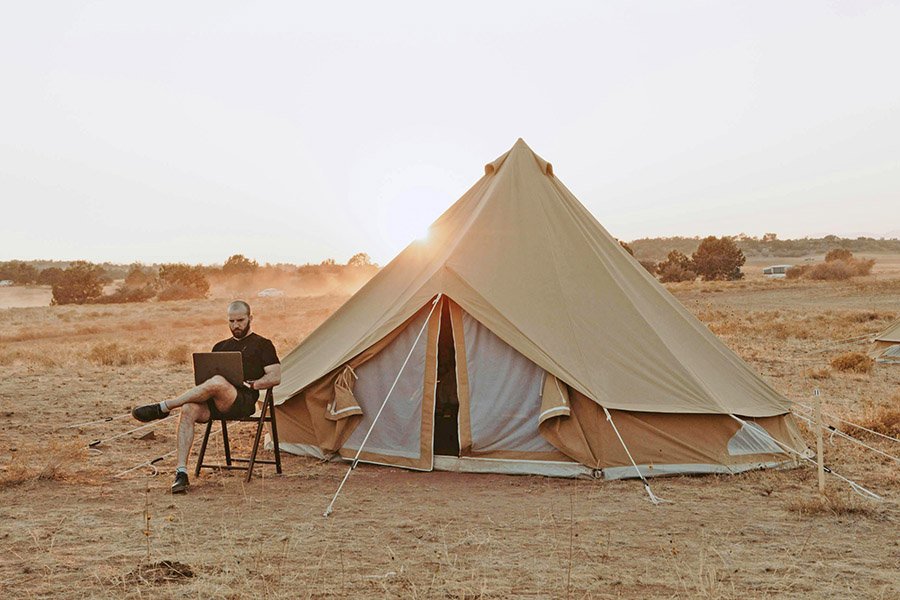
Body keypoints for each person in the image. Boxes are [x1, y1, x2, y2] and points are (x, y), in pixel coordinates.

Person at [131, 300, 281, 493]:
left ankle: (164, 407)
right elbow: (206, 383)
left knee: (218, 381)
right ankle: (181, 473)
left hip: (242, 401)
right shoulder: (220, 346)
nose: (236, 325)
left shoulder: (263, 344)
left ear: (250, 318)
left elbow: (275, 377)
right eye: (232, 321)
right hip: (214, 402)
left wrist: (252, 384)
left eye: (241, 320)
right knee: (187, 409)